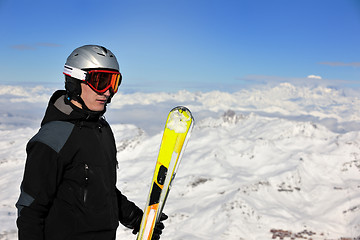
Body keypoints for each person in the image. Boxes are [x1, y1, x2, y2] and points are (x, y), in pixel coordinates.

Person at [15, 45, 167, 240]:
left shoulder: (101, 129)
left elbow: (101, 187)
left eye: (114, 82)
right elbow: (30, 210)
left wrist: (136, 218)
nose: (108, 91)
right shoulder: (52, 139)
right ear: (75, 80)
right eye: (101, 81)